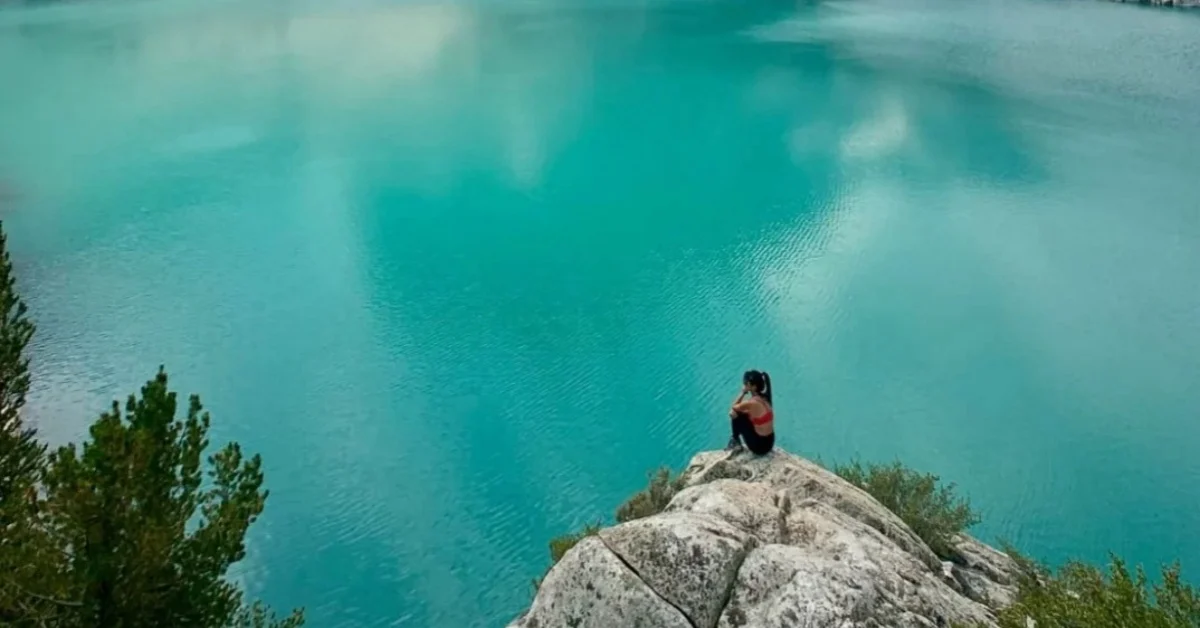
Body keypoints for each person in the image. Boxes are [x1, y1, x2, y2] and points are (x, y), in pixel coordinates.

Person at [727, 370, 775, 455]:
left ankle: (735, 442)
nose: (744, 385)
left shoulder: (751, 403)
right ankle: (735, 441)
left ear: (751, 385)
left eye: (745, 384)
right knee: (744, 415)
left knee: (734, 413)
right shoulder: (765, 398)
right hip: (770, 443)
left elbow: (733, 408)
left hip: (759, 448)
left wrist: (743, 392)